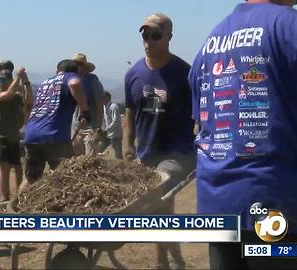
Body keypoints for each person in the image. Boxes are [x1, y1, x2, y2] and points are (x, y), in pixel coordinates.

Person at [188, 0, 297, 268]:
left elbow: (202, 121)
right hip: (269, 202)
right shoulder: (291, 27)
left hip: (217, 209)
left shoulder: (210, 41)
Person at [124, 13, 195, 269]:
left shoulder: (184, 73)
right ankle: (171, 261)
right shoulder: (133, 74)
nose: (149, 41)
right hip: (146, 152)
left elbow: (200, 111)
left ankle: (165, 262)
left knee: (159, 200)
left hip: (177, 153)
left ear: (169, 38)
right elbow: (130, 112)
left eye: (156, 36)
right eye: (145, 35)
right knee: (160, 210)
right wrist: (129, 146)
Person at [20, 59, 89, 192]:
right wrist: (85, 112)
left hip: (32, 135)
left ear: (57, 71)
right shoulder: (70, 77)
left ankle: (18, 209)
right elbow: (74, 84)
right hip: (54, 137)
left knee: (31, 178)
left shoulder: (45, 83)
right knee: (69, 176)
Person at [0, 63, 32, 211]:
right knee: (3, 168)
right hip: (1, 136)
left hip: (14, 136)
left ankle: (18, 197)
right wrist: (19, 78)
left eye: (5, 80)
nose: (3, 83)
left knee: (18, 167)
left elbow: (28, 102)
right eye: (1, 80)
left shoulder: (16, 96)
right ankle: (4, 198)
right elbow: (6, 95)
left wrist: (26, 83)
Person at [71, 53, 105, 156]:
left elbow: (100, 106)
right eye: (75, 64)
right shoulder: (72, 83)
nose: (77, 66)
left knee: (90, 161)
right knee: (75, 160)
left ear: (85, 67)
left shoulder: (94, 82)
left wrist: (97, 129)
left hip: (91, 127)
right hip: (76, 127)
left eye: (79, 64)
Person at [99, 91, 123, 159]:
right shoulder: (104, 107)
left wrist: (107, 129)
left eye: (101, 98)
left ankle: (122, 166)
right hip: (107, 133)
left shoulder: (113, 107)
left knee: (118, 153)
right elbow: (104, 119)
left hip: (115, 134)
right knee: (100, 148)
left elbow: (116, 121)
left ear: (106, 98)